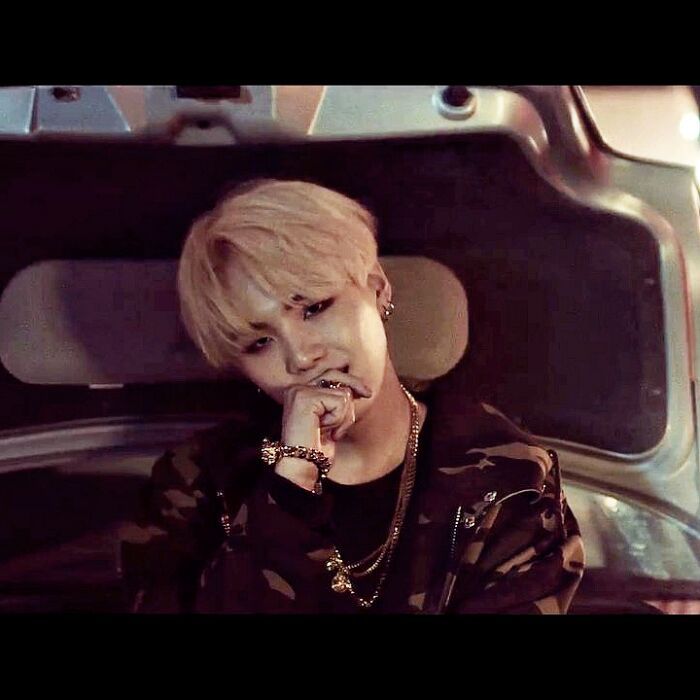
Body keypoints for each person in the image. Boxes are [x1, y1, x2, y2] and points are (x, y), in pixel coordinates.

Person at [119, 178, 585, 614]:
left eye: (315, 307)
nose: (302, 357)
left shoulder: (511, 477)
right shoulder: (197, 483)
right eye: (259, 343)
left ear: (377, 289)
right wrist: (293, 484)